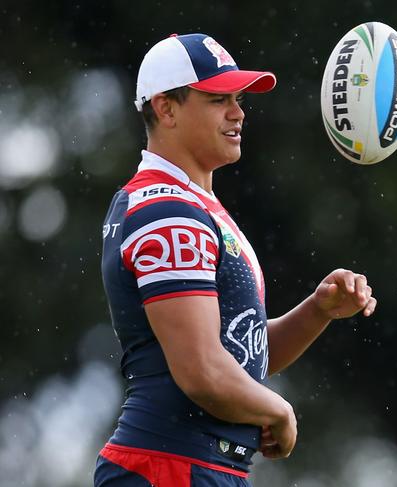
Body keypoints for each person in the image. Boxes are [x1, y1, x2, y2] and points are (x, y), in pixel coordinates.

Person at [94, 33, 377, 487]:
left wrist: (316, 311)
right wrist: (278, 410)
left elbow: (236, 354)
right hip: (167, 467)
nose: (238, 112)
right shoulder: (168, 212)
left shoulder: (192, 204)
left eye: (239, 99)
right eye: (217, 99)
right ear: (165, 108)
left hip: (194, 467)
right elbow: (203, 371)